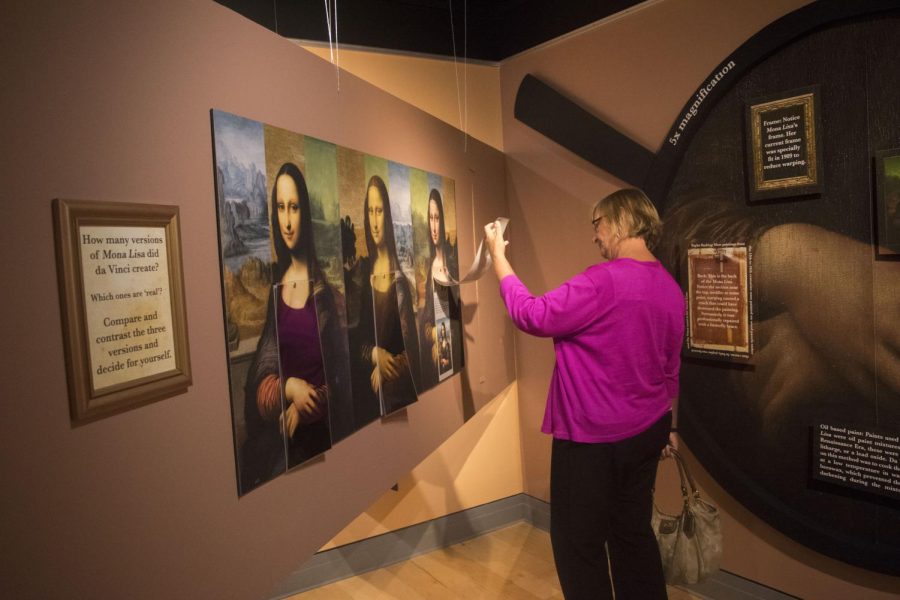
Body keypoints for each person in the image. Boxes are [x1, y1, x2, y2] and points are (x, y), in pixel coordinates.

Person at [484, 188, 685, 600]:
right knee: (631, 533)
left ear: (620, 221)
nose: (596, 236)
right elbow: (670, 371)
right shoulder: (670, 288)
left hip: (593, 439)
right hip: (648, 431)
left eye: (598, 225)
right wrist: (671, 426)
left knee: (579, 546)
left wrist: (499, 261)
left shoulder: (603, 282)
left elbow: (532, 314)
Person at [241, 163, 347, 491]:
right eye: (281, 208)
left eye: (295, 208)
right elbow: (261, 376)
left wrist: (307, 405)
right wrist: (290, 389)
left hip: (319, 436)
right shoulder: (276, 289)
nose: (287, 221)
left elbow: (341, 378)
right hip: (279, 435)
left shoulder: (326, 297)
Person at [349, 175, 420, 416]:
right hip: (365, 399)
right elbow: (352, 340)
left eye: (379, 211)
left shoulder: (399, 282)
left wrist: (388, 366)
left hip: (394, 399)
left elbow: (411, 350)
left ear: (387, 216)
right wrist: (373, 354)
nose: (375, 221)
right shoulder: (362, 273)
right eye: (370, 211)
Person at [419, 189, 462, 386]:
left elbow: (457, 316)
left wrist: (446, 339)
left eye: (437, 218)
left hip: (454, 354)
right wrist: (435, 336)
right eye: (430, 218)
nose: (434, 226)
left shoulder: (452, 264)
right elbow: (426, 321)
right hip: (435, 360)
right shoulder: (429, 268)